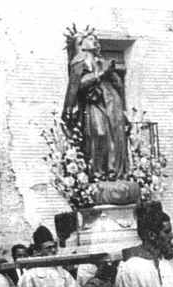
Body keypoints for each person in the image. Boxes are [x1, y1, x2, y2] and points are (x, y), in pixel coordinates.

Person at [62, 29, 127, 179]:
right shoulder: (79, 62)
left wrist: (113, 72)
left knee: (115, 138)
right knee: (99, 133)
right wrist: (101, 74)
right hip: (94, 104)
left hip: (111, 104)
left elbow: (118, 85)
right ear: (82, 44)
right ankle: (98, 173)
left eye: (95, 39)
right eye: (90, 38)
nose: (95, 41)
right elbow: (79, 85)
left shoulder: (101, 62)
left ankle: (113, 173)